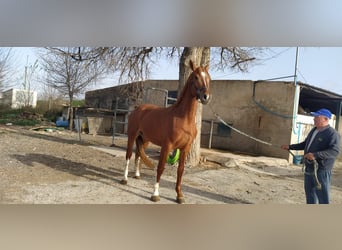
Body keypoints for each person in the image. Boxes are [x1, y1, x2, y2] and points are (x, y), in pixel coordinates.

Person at [281, 108, 340, 204]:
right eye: (314, 116)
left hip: (321, 170)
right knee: (310, 194)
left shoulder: (332, 134)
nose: (314, 119)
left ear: (325, 119)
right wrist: (289, 147)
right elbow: (305, 144)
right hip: (310, 167)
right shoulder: (314, 130)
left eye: (317, 117)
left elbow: (334, 151)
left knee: (322, 196)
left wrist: (315, 155)